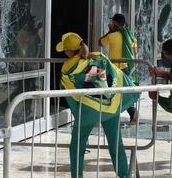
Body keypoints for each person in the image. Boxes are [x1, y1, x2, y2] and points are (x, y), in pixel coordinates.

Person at [57, 32, 139, 178]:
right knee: (116, 145)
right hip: (111, 107)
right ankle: (124, 175)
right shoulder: (99, 57)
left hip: (87, 112)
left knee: (77, 147)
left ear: (69, 51)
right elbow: (116, 75)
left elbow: (68, 89)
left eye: (65, 50)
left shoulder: (67, 68)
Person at [99, 13, 139, 124]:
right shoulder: (130, 36)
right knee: (125, 91)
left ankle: (114, 116)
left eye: (113, 22)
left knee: (112, 92)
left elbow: (100, 42)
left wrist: (110, 31)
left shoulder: (113, 35)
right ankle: (132, 112)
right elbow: (136, 53)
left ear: (115, 23)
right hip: (127, 68)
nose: (111, 23)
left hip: (115, 69)